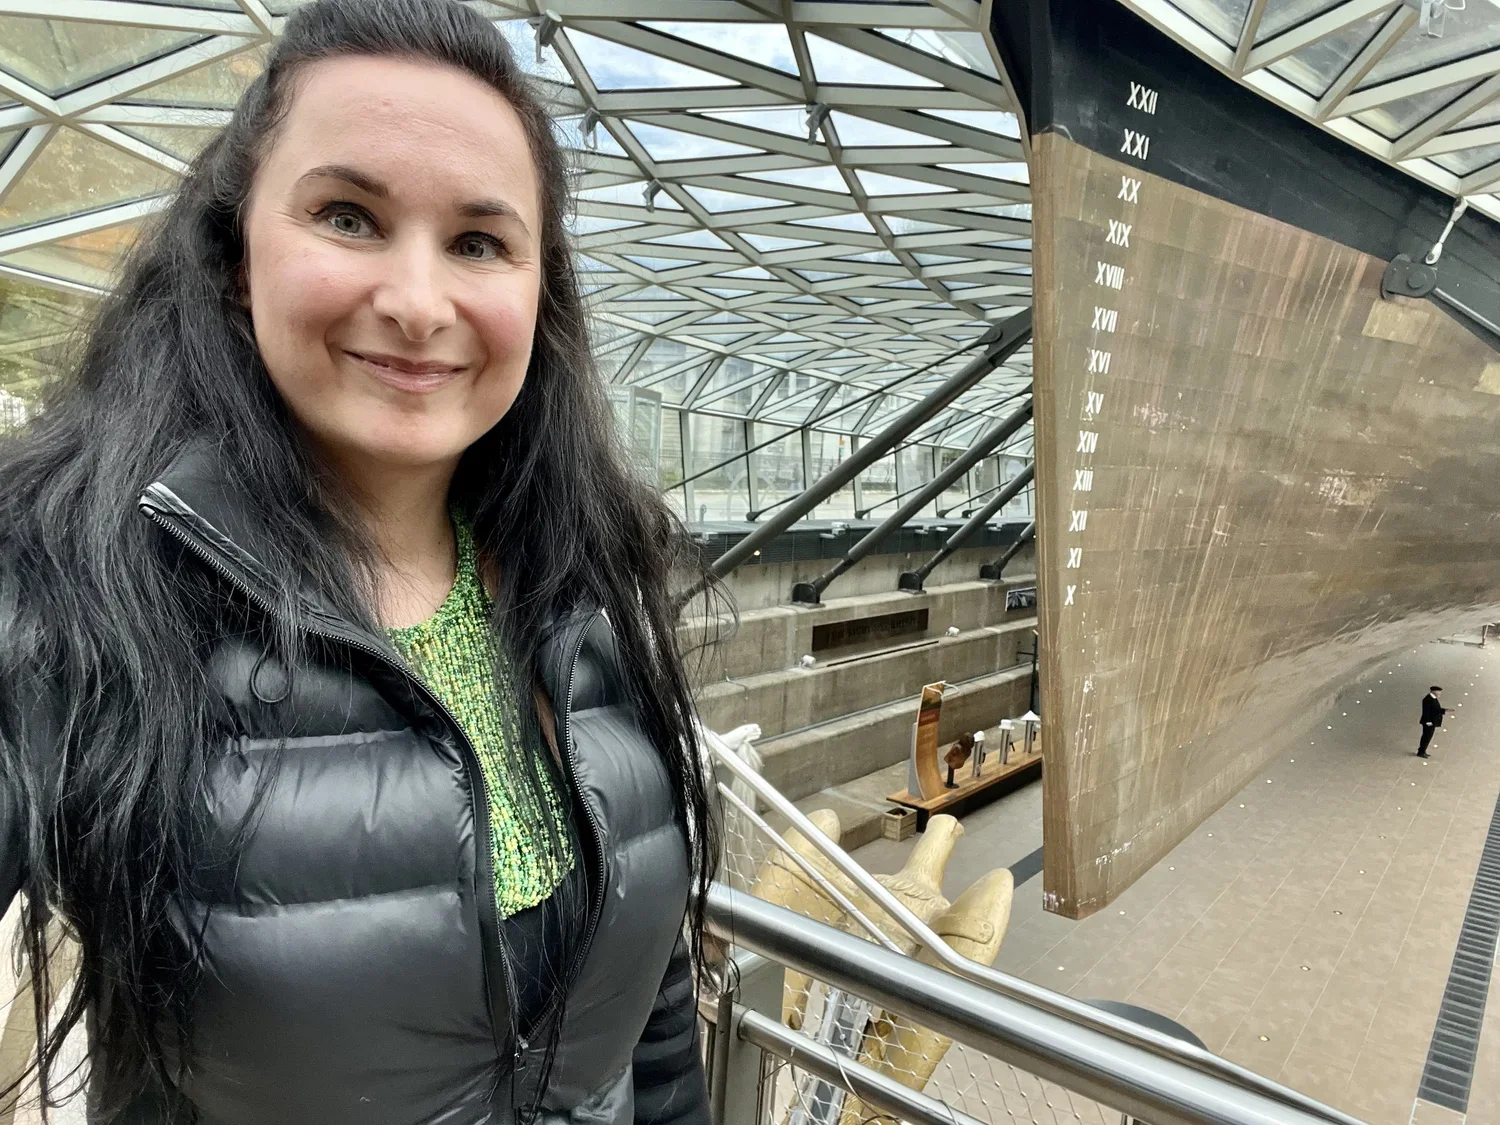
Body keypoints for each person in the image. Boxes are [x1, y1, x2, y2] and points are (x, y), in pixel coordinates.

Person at [0, 1, 720, 1121]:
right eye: (347, 216)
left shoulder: (587, 583)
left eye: (478, 242)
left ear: (539, 292)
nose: (418, 305)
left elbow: (655, 1010)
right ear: (237, 259)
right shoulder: (76, 582)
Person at [1418, 686, 1446, 757]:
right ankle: (1421, 751)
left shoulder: (1433, 698)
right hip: (1429, 722)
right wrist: (1428, 721)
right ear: (1434, 691)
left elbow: (1435, 709)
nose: (1440, 693)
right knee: (1426, 737)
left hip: (1432, 722)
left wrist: (1443, 710)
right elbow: (1426, 711)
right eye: (1439, 692)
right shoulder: (1428, 699)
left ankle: (1423, 750)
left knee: (1428, 737)